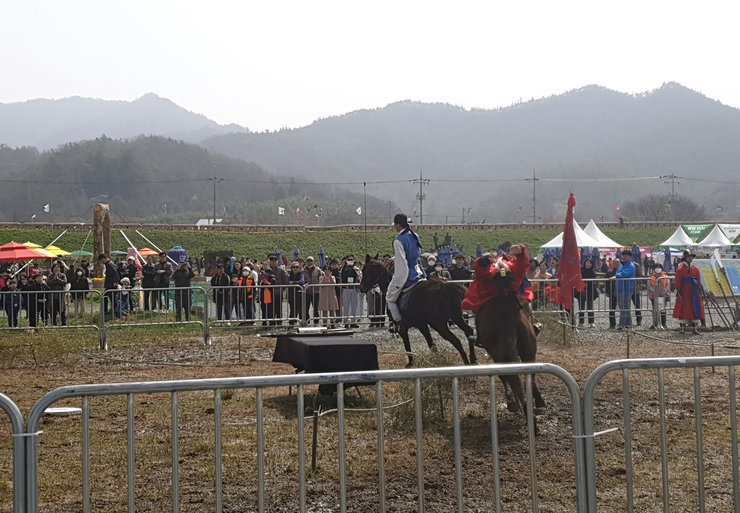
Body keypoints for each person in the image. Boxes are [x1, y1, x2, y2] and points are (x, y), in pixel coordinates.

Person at [462, 243, 533, 313]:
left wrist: (521, 249)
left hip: (511, 295)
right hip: (491, 296)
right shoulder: (495, 265)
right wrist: (483, 262)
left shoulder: (514, 266)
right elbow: (483, 275)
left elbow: (521, 267)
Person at [386, 213, 424, 328]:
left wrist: (398, 280)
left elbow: (402, 264)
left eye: (395, 225)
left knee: (390, 298)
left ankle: (399, 322)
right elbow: (415, 254)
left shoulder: (398, 240)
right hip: (419, 271)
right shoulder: (415, 235)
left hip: (408, 274)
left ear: (397, 225)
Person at [673, 250, 704, 334]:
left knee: (695, 307)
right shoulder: (680, 268)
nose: (691, 258)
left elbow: (698, 279)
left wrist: (699, 288)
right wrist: (678, 291)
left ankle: (695, 328)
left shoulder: (695, 268)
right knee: (683, 308)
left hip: (694, 291)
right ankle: (682, 328)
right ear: (685, 258)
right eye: (689, 256)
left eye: (691, 256)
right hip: (684, 291)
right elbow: (678, 281)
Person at [611, 249, 636, 330]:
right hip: (620, 288)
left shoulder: (631, 266)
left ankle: (621, 324)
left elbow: (624, 274)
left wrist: (616, 276)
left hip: (627, 289)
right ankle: (628, 323)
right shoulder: (622, 265)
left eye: (626, 255)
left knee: (624, 307)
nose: (624, 257)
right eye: (623, 255)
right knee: (624, 307)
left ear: (630, 257)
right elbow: (620, 273)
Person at [340, 255, 362, 328]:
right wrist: (345, 266)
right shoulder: (344, 268)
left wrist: (353, 267)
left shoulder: (356, 269)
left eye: (351, 259)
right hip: (346, 289)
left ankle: (353, 322)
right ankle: (346, 321)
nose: (350, 261)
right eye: (349, 259)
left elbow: (358, 277)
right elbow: (342, 276)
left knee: (354, 306)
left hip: (354, 289)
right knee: (346, 306)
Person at [577, 258, 598, 328]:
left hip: (590, 291)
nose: (588, 264)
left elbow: (592, 283)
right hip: (581, 291)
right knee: (581, 307)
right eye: (587, 262)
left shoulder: (593, 273)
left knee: (590, 307)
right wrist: (582, 289)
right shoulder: (581, 271)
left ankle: (591, 322)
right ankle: (581, 322)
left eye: (590, 263)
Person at [649, 263, 670, 330]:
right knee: (655, 310)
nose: (658, 268)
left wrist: (664, 292)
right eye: (656, 267)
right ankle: (655, 324)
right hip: (654, 296)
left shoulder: (665, 276)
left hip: (663, 296)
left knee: (663, 310)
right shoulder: (651, 277)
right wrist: (655, 293)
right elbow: (649, 286)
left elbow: (668, 285)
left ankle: (664, 324)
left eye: (659, 267)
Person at [268, 253, 288, 324]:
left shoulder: (281, 270)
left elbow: (285, 281)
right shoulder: (267, 270)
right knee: (270, 309)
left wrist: (282, 289)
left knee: (279, 308)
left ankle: (279, 323)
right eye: (272, 261)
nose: (273, 262)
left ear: (277, 261)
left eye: (275, 260)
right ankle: (271, 323)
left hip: (279, 293)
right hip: (269, 293)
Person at [99, 254, 120, 320]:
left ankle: (116, 312)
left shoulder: (109, 265)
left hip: (111, 285)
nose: (101, 262)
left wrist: (116, 282)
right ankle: (108, 311)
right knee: (107, 297)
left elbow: (115, 273)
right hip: (109, 284)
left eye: (101, 261)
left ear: (103, 259)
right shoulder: (110, 264)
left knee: (113, 299)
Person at [302, 256, 322, 324]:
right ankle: (307, 322)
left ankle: (316, 322)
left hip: (316, 292)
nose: (309, 262)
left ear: (313, 261)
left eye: (311, 261)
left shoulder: (318, 270)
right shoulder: (303, 270)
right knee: (305, 308)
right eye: (308, 261)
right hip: (306, 292)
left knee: (316, 309)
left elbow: (321, 278)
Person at [604, 257, 620, 329]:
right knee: (611, 309)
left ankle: (623, 323)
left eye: (618, 262)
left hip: (621, 292)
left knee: (623, 308)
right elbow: (606, 283)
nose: (616, 264)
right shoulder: (609, 272)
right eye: (615, 262)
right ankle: (612, 324)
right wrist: (607, 292)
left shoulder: (622, 272)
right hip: (612, 293)